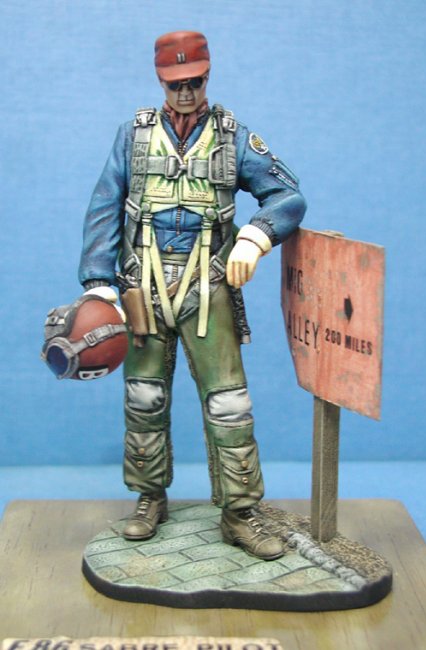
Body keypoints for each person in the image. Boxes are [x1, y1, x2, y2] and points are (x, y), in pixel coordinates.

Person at [79, 31, 306, 560]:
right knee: (144, 397)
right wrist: (98, 283)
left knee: (229, 403)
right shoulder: (133, 138)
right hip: (142, 287)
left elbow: (288, 195)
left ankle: (240, 511)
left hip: (209, 286)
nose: (185, 93)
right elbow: (104, 206)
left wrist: (256, 236)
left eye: (195, 82)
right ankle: (148, 496)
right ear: (161, 81)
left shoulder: (234, 138)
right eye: (175, 84)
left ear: (208, 76)